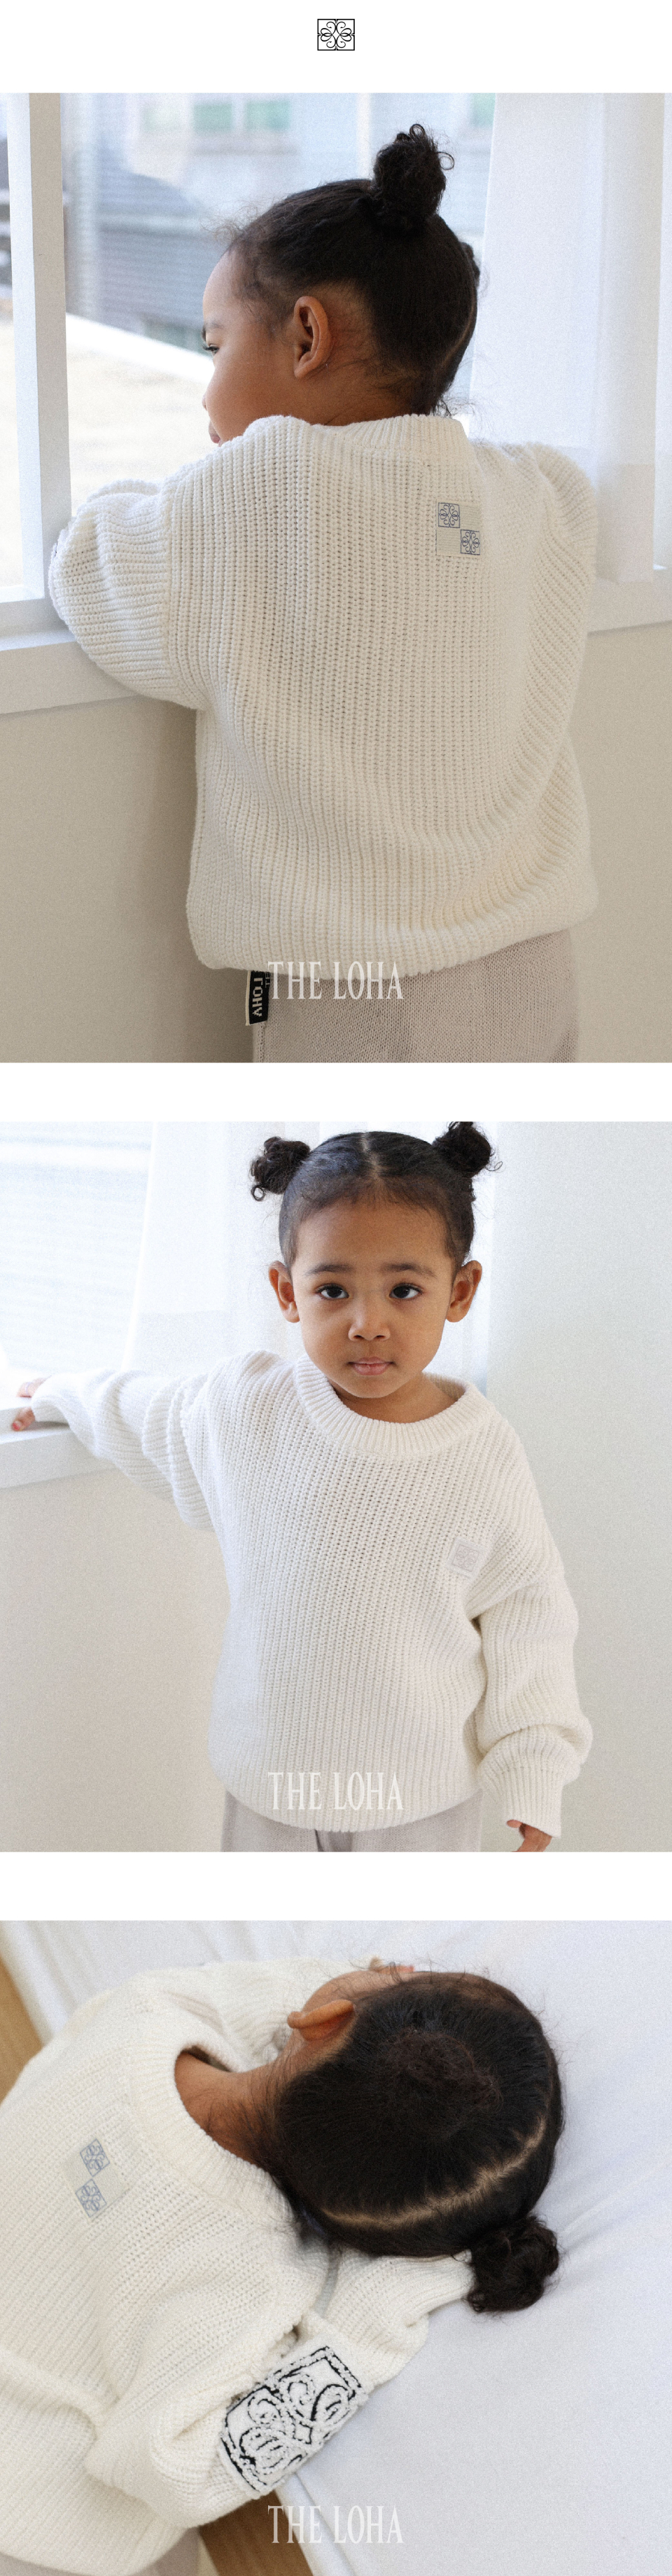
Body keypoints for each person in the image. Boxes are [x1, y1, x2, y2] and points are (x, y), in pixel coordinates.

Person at [46, 125, 597, 1065]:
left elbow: (91, 564)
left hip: (358, 992)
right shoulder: (539, 493)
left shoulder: (256, 493)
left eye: (215, 344)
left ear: (307, 334)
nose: (207, 395)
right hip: (538, 964)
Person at [13, 1125, 592, 1853]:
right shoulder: (247, 1407)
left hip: (419, 1798)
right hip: (270, 1788)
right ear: (288, 1292)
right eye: (333, 1289)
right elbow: (146, 1411)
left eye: (404, 1289)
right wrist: (62, 1391)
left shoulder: (481, 1451)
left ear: (460, 1290)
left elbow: (528, 1611)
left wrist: (534, 1767)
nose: (368, 1323)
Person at [0, 1953, 565, 2576]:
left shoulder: (147, 2014)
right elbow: (182, 2473)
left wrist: (332, 2017)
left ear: (325, 2020)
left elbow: (237, 1995)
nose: (386, 1961)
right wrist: (359, 2335)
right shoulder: (253, 2280)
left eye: (400, 1973)